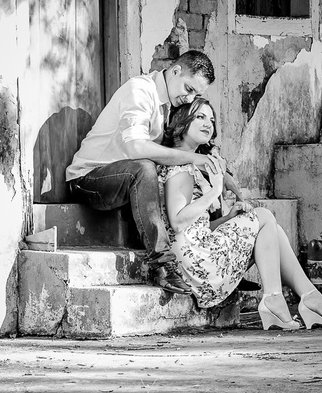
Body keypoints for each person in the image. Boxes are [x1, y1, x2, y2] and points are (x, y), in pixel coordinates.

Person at [159, 99, 322, 330]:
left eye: (211, 119)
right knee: (264, 217)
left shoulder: (187, 164)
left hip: (197, 258)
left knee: (271, 229)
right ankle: (281, 299)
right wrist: (215, 191)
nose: (208, 123)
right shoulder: (180, 169)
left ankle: (307, 297)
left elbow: (194, 230)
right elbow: (178, 222)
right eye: (200, 117)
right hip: (197, 266)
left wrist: (228, 219)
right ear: (181, 123)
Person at [66, 50, 220, 294]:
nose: (190, 99)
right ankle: (162, 265)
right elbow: (136, 148)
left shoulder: (169, 105)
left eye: (196, 95)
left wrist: (218, 173)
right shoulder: (139, 90)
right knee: (144, 167)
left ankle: (218, 268)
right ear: (176, 71)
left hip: (124, 183)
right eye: (189, 89)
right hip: (88, 179)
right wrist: (194, 158)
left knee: (175, 171)